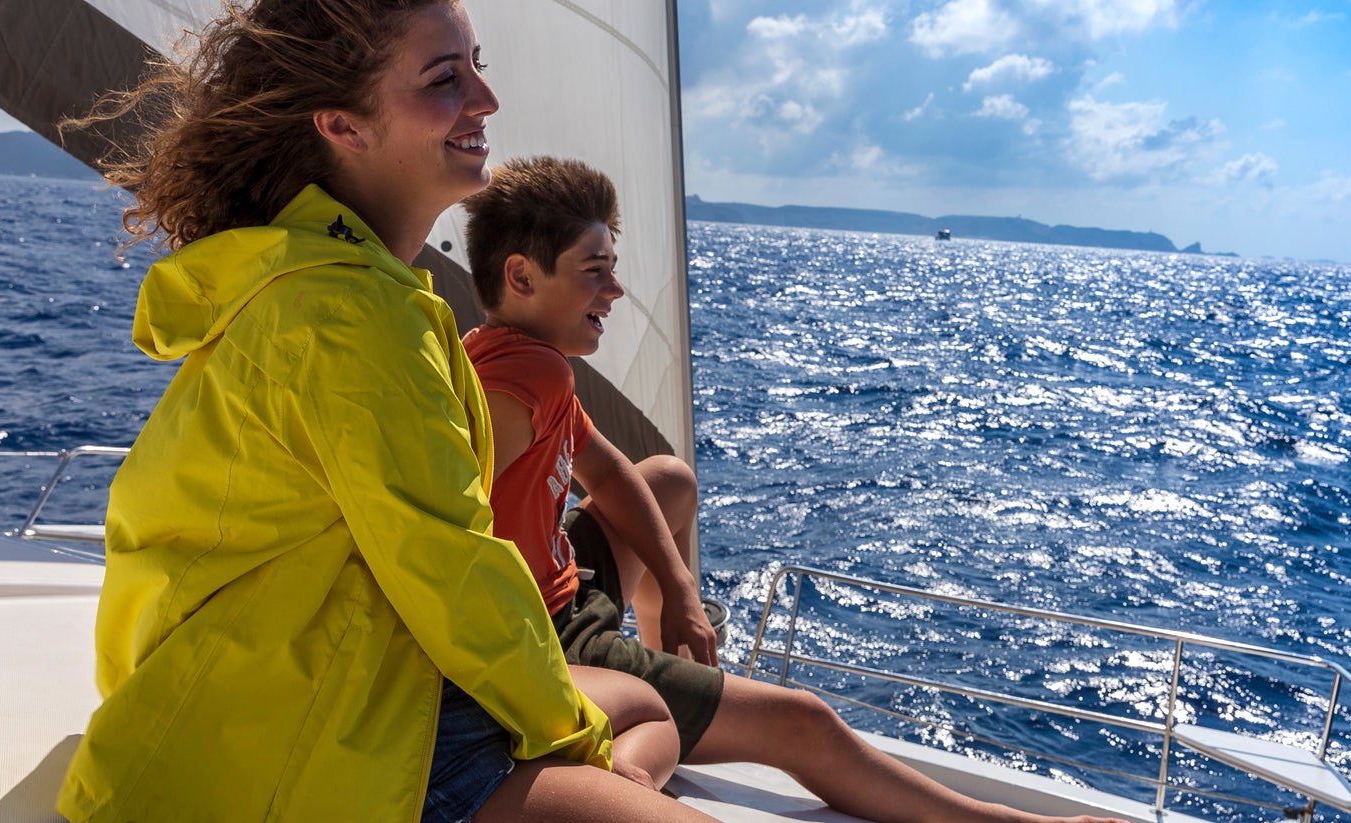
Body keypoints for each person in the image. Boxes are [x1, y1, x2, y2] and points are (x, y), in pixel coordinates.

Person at [54, 3, 713, 821]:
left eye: (478, 61)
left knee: (646, 712)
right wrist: (575, 750)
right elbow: (454, 568)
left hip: (313, 697)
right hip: (311, 750)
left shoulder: (320, 282)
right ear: (343, 125)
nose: (486, 97)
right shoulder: (349, 316)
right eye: (445, 78)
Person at [461, 155, 1126, 823]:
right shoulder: (524, 382)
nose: (616, 290)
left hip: (562, 590)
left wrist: (682, 590)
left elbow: (607, 474)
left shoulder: (509, 357)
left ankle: (672, 666)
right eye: (594, 270)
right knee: (802, 721)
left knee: (666, 479)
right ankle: (1005, 822)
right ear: (522, 275)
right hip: (547, 640)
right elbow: (463, 542)